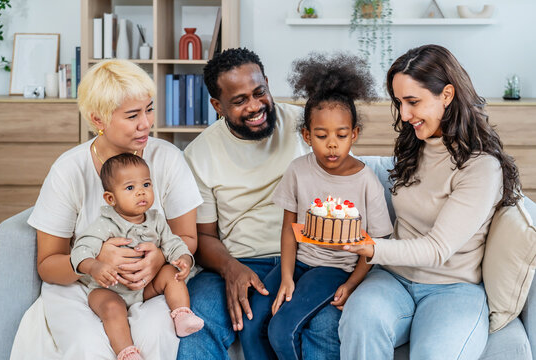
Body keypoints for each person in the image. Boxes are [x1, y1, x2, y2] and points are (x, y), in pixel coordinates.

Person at [10, 59, 203, 360]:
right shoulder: (68, 169)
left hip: (150, 283)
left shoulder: (168, 159)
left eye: (149, 109)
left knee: (157, 336)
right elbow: (48, 264)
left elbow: (187, 239)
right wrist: (95, 262)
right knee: (89, 347)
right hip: (84, 285)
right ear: (98, 120)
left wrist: (159, 259)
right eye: (132, 115)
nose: (146, 123)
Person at [338, 44, 521, 359]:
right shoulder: (416, 146)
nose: (405, 115)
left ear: (446, 95)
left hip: (452, 287)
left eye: (412, 102)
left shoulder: (480, 167)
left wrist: (370, 247)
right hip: (392, 278)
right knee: (359, 322)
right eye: (399, 103)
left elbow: (437, 249)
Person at [178, 48, 342, 360]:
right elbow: (206, 237)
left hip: (308, 259)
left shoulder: (306, 127)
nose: (255, 107)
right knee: (198, 322)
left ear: (267, 82)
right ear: (217, 105)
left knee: (324, 323)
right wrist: (230, 269)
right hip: (238, 261)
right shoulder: (199, 155)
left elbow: (345, 182)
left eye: (259, 92)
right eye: (239, 101)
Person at [242, 52, 394, 360]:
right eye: (322, 136)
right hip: (298, 262)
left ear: (355, 134)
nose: (332, 144)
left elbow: (375, 245)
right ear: (307, 136)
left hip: (333, 270)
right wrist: (285, 276)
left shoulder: (367, 183)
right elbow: (289, 227)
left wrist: (352, 284)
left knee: (282, 328)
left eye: (341, 135)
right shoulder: (299, 170)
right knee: (250, 323)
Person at [70, 153, 204, 360]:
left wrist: (184, 259)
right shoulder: (105, 224)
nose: (141, 192)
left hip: (145, 286)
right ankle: (127, 352)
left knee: (172, 272)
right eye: (130, 188)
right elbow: (81, 249)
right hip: (109, 288)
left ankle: (182, 314)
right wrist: (94, 267)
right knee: (111, 308)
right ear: (110, 198)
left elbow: (173, 242)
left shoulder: (156, 220)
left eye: (146, 185)